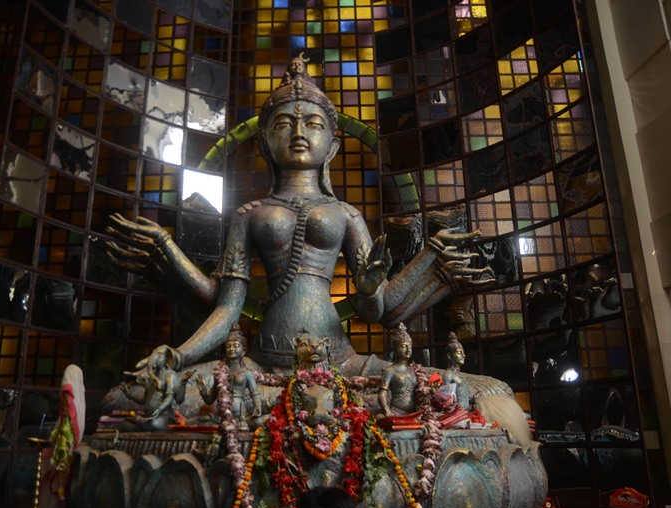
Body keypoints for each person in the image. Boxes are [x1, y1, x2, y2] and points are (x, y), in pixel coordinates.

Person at [107, 53, 490, 378]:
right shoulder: (251, 214)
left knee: (471, 388)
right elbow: (226, 310)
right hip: (262, 364)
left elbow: (379, 311)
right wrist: (180, 355)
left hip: (342, 361)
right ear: (264, 144)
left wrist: (371, 287)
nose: (298, 133)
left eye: (313, 123)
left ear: (333, 146)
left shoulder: (345, 213)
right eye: (284, 124)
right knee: (139, 393)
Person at [195, 323, 262, 430]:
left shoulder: (247, 373)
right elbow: (210, 400)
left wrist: (257, 406)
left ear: (243, 351)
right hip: (221, 416)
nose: (231, 349)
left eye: (235, 346)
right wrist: (203, 390)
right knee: (201, 422)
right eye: (229, 346)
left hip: (241, 418)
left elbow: (255, 393)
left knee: (257, 423)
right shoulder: (221, 373)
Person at [378, 323, 418, 417]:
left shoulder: (414, 370)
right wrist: (386, 410)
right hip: (396, 412)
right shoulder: (390, 371)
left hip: (414, 412)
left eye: (410, 347)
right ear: (396, 349)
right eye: (404, 346)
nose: (408, 350)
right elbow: (382, 394)